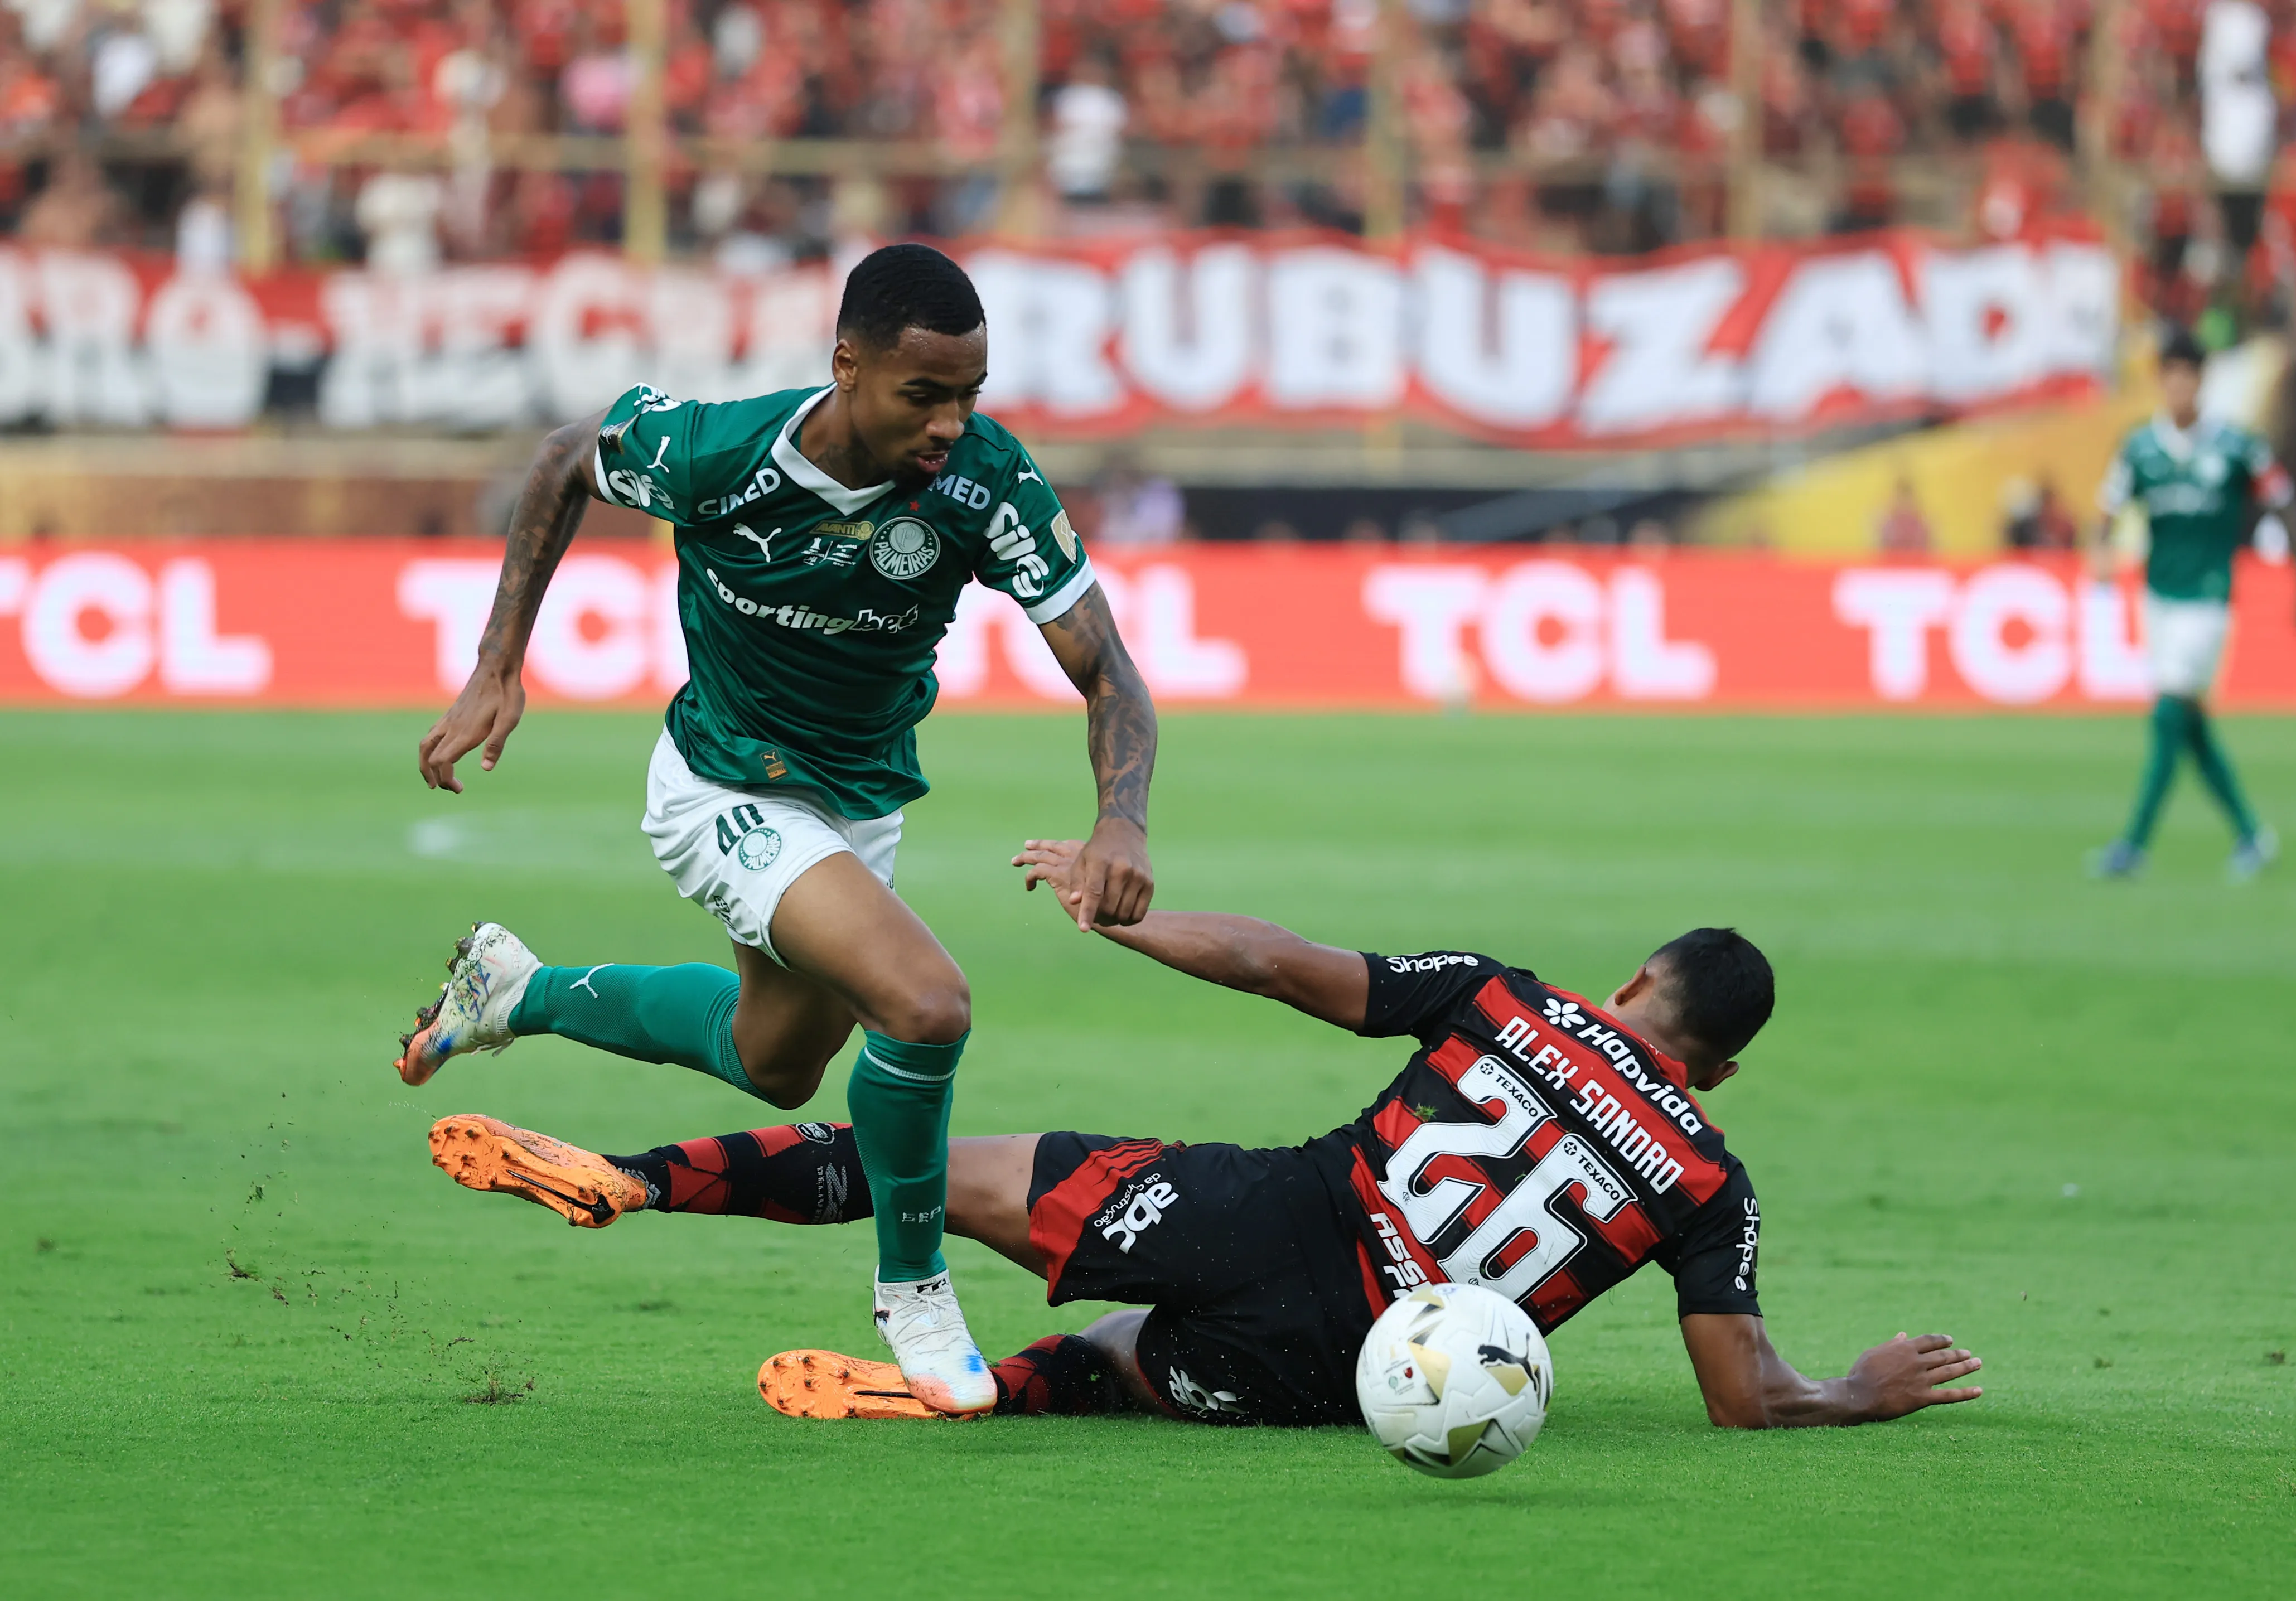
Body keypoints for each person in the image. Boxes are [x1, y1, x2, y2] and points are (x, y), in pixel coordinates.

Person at [423, 839, 1987, 1431]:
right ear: (1720, 1062)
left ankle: (632, 1174)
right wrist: (1850, 1389)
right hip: (1350, 1373)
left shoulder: (1518, 1002)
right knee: (1123, 1361)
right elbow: (1739, 1392)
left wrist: (1131, 914)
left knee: (923, 1167)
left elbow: (1281, 961)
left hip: (1261, 1209)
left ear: (1639, 984)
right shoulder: (1712, 1179)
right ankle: (981, 1394)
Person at [398, 244, 1161, 1416]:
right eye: (925, 395)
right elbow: (564, 462)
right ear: (847, 365)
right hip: (724, 789)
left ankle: (518, 990)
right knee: (926, 1001)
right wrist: (498, 667)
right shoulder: (718, 451)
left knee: (777, 1060)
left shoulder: (988, 485)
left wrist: (1122, 821)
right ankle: (915, 1290)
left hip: (855, 806)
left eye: (971, 392)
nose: (952, 421)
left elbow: (1106, 666)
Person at [2089, 328, 2296, 882]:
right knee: (2190, 726)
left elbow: (2285, 505)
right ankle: (2253, 837)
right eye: (2171, 373)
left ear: (2202, 380)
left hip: (2209, 600)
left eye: (2189, 373)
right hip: (2158, 598)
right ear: (2161, 380)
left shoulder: (2236, 446)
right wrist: (2102, 553)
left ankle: (2133, 845)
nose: (2180, 384)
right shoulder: (2139, 447)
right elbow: (2107, 510)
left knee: (2167, 715)